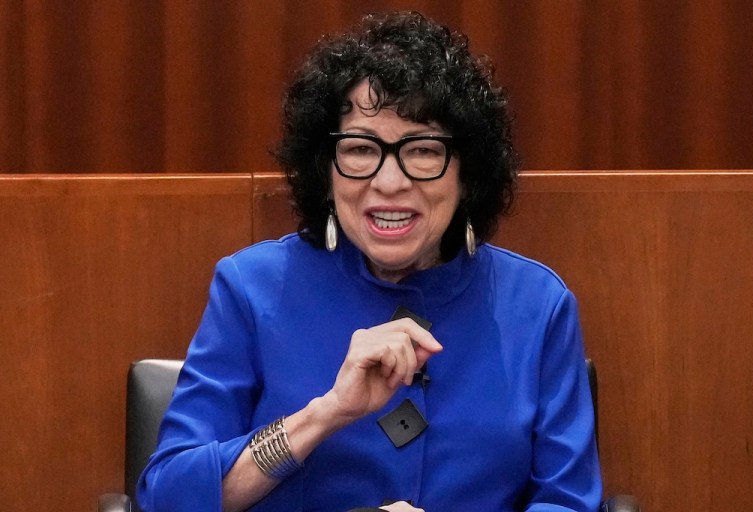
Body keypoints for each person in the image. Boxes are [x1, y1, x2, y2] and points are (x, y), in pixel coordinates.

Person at [137, 11, 601, 512]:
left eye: (423, 150)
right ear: (326, 169)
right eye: (360, 149)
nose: (389, 182)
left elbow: (568, 500)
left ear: (467, 174)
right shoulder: (253, 289)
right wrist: (326, 413)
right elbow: (169, 496)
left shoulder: (536, 305)